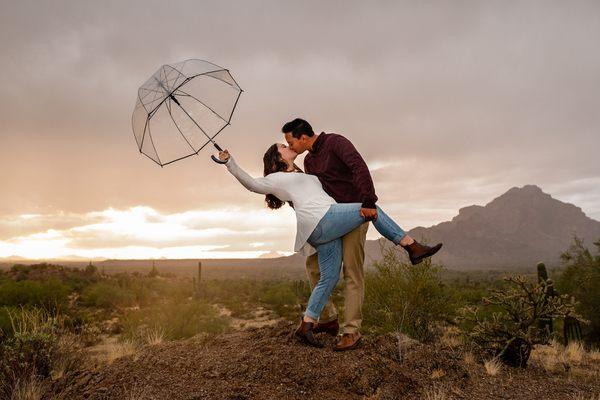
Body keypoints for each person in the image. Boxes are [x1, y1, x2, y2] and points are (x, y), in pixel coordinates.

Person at [218, 143, 442, 348]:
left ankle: (306, 325)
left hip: (326, 227)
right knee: (371, 209)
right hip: (323, 220)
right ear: (277, 157)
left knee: (329, 277)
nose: (288, 146)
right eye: (283, 146)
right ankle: (411, 246)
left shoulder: (300, 173)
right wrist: (230, 162)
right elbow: (252, 184)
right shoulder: (276, 177)